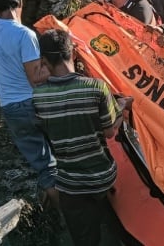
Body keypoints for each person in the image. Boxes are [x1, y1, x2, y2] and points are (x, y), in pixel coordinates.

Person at [33, 29, 128, 246]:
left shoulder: (39, 97)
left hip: (71, 183)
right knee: (99, 204)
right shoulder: (96, 88)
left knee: (84, 236)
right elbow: (110, 132)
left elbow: (46, 131)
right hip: (103, 177)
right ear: (73, 53)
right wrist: (121, 108)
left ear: (45, 61)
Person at [0, 0, 58, 204]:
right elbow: (35, 78)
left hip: (9, 107)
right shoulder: (24, 35)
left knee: (43, 164)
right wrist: (60, 61)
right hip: (32, 104)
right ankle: (70, 213)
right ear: (19, 2)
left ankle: (53, 209)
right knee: (55, 164)